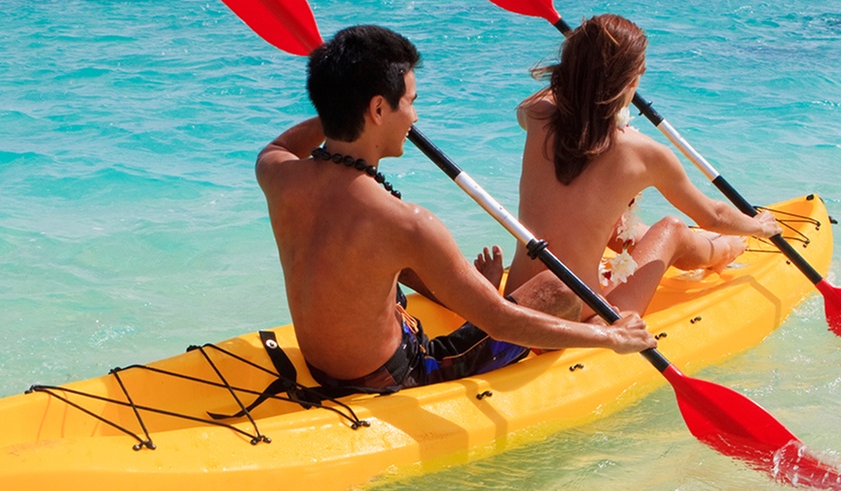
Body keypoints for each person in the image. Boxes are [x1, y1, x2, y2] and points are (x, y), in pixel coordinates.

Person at [257, 25, 656, 391]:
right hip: (395, 372)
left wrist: (340, 105)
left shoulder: (277, 174)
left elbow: (280, 146)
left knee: (392, 260)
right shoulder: (407, 223)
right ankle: (470, 291)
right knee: (560, 287)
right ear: (378, 110)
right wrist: (610, 337)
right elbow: (499, 321)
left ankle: (468, 287)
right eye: (410, 102)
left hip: (321, 365)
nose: (414, 117)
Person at [505, 14, 781, 322]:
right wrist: (760, 226)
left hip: (516, 301)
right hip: (583, 315)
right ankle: (725, 250)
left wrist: (578, 67)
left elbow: (548, 101)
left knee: (616, 224)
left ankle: (716, 249)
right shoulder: (644, 154)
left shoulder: (537, 114)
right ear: (632, 82)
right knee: (672, 230)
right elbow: (712, 215)